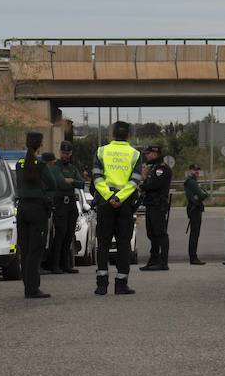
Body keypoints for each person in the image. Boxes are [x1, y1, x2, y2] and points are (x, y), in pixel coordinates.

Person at [92, 121, 142, 295]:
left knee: (104, 243)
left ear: (112, 134)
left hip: (105, 203)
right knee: (123, 244)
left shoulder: (101, 151)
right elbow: (135, 180)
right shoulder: (134, 154)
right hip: (125, 204)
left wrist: (109, 197)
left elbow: (96, 178)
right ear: (128, 135)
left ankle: (101, 284)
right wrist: (120, 197)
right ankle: (121, 284)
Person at [15, 132, 56, 298]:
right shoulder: (41, 165)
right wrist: (47, 197)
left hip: (22, 208)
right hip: (37, 209)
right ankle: (33, 288)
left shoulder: (20, 164)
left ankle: (27, 286)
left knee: (25, 250)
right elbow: (53, 184)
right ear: (40, 145)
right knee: (35, 250)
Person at [51, 141, 85, 274]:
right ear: (60, 152)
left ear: (71, 153)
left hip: (71, 204)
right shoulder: (56, 167)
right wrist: (70, 182)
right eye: (64, 153)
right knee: (60, 234)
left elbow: (81, 183)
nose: (66, 155)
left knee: (69, 235)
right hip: (60, 204)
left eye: (68, 153)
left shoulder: (72, 168)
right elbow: (60, 183)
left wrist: (71, 181)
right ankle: (55, 265)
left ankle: (66, 265)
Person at [138, 144, 173, 271]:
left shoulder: (161, 169)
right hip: (151, 204)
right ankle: (153, 260)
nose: (146, 156)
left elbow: (154, 185)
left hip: (158, 205)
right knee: (151, 234)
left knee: (160, 234)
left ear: (155, 154)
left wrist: (142, 183)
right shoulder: (152, 168)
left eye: (148, 153)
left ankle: (163, 262)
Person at [183, 164, 210, 265]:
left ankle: (193, 256)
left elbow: (203, 194)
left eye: (198, 170)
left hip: (195, 208)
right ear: (190, 171)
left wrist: (201, 195)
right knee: (194, 234)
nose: (196, 172)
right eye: (194, 170)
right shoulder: (191, 182)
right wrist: (200, 195)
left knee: (195, 234)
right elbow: (202, 194)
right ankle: (193, 257)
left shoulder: (193, 181)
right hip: (194, 208)